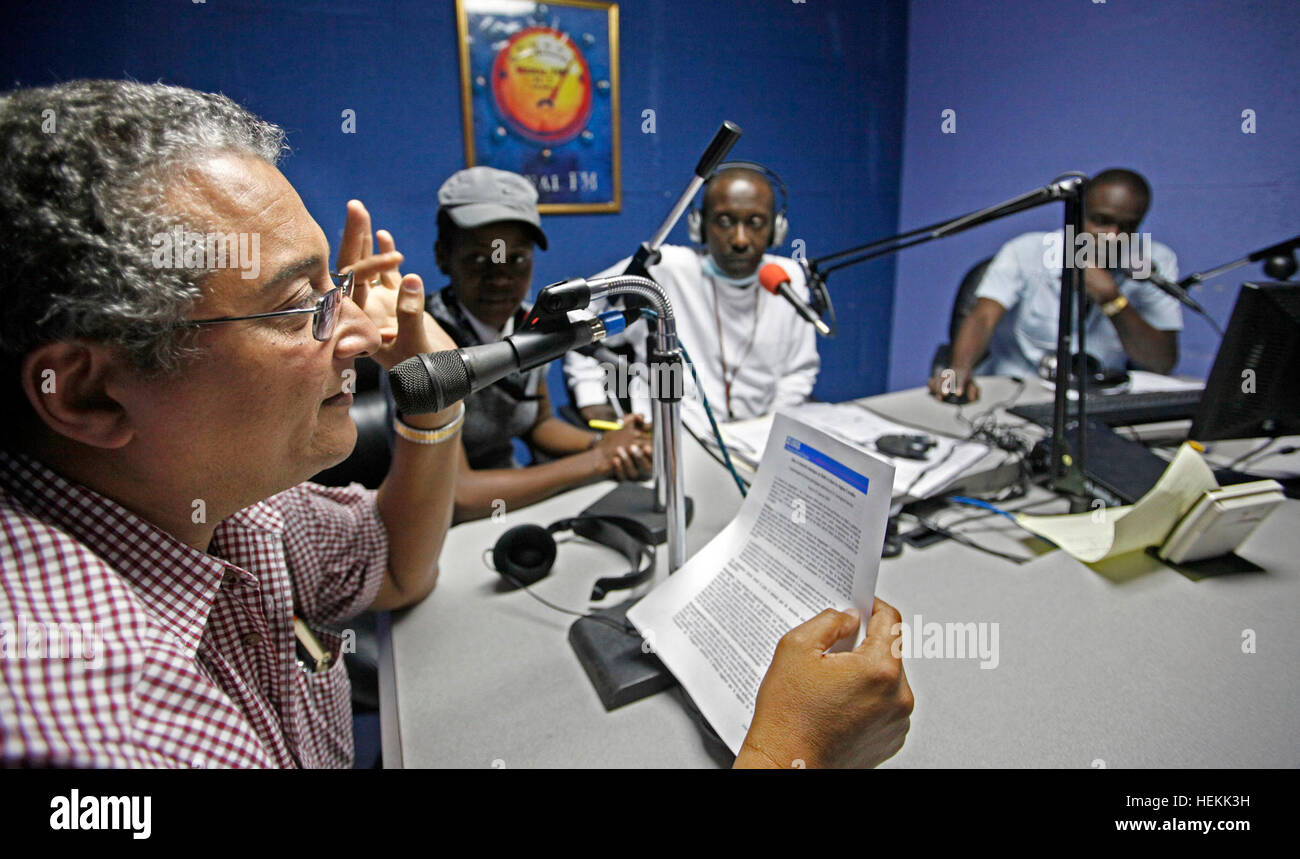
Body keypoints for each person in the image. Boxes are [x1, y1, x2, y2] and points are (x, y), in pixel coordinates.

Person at [0, 80, 911, 768]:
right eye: (299, 308)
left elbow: (397, 567)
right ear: (90, 397)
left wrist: (430, 411)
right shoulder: (96, 708)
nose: (363, 332)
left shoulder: (236, 509)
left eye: (339, 289)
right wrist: (790, 747)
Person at [413, 167, 654, 523]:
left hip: (511, 504)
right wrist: (597, 461)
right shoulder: (420, 343)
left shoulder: (532, 325)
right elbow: (459, 495)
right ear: (442, 256)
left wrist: (609, 442)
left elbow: (537, 422)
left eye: (518, 258)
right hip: (433, 527)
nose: (501, 277)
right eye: (481, 259)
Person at [564, 164, 820, 424]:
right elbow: (576, 320)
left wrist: (773, 431)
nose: (740, 239)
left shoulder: (787, 279)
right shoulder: (664, 267)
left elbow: (798, 372)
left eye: (755, 223)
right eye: (725, 221)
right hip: (672, 432)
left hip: (758, 437)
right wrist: (591, 399)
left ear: (776, 228)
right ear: (699, 225)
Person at [929, 168, 1182, 403]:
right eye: (1101, 221)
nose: (1112, 236)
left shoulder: (1153, 262)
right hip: (1013, 391)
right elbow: (982, 316)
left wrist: (1111, 299)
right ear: (1077, 213)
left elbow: (1161, 363)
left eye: (1127, 226)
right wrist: (958, 369)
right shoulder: (1025, 251)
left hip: (1097, 399)